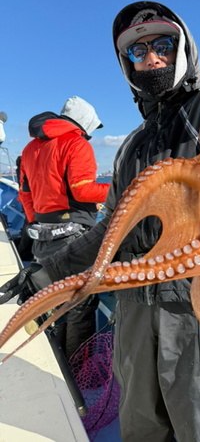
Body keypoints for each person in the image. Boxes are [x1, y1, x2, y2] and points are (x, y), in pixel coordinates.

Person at [0, 0, 200, 440]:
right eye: (138, 50)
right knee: (139, 429)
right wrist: (42, 273)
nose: (150, 56)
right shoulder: (130, 148)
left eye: (162, 44)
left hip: (199, 311)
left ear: (182, 52)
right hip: (134, 315)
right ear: (126, 63)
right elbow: (105, 237)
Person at [17, 96, 110, 359]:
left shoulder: (29, 149)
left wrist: (38, 221)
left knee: (59, 301)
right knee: (81, 303)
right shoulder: (76, 143)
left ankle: (62, 359)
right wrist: (119, 188)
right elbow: (83, 191)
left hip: (43, 237)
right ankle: (80, 370)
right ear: (85, 122)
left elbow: (25, 195)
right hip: (74, 238)